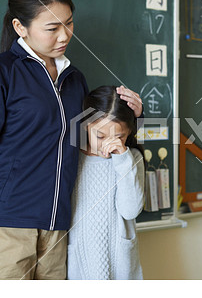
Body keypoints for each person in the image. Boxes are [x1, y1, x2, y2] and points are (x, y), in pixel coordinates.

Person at [0, 0, 142, 280]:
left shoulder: (75, 79)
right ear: (20, 26)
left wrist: (134, 117)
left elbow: (93, 144)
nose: (64, 35)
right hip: (5, 227)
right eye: (52, 28)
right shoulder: (0, 72)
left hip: (59, 232)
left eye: (69, 23)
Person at [67, 86, 145, 280]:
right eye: (100, 136)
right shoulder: (72, 158)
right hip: (79, 262)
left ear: (129, 133)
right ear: (85, 125)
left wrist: (122, 159)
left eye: (119, 137)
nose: (107, 144)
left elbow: (130, 211)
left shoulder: (132, 158)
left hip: (120, 264)